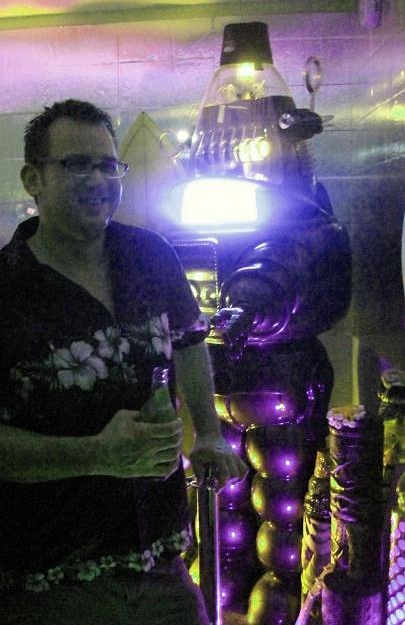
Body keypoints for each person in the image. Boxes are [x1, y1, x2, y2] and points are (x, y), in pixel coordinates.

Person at [0, 99, 247, 625]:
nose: (97, 179)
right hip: (49, 582)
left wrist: (208, 431)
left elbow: (188, 340)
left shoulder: (150, 255)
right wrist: (96, 454)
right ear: (33, 179)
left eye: (108, 165)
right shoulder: (6, 289)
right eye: (76, 164)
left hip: (164, 563)